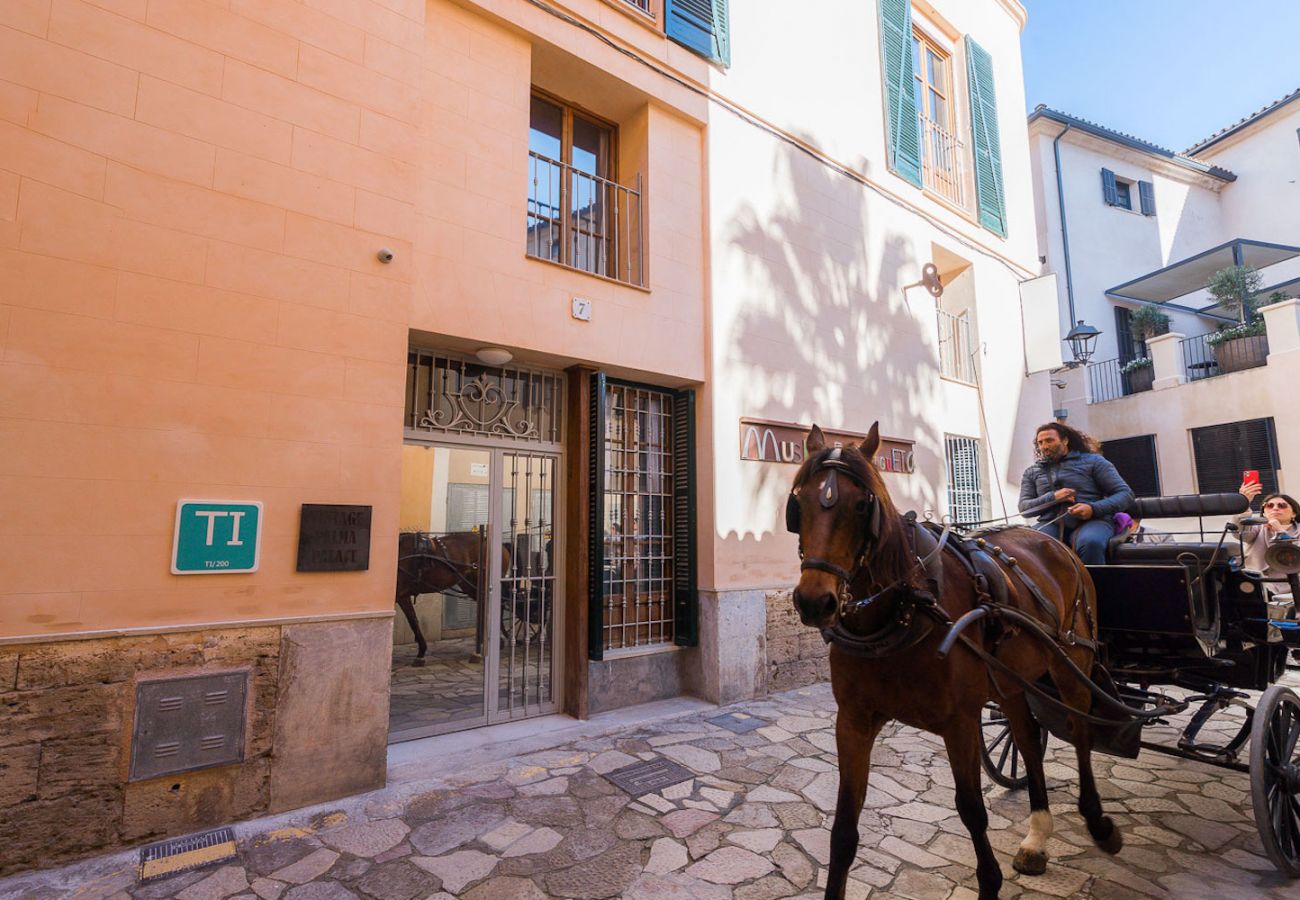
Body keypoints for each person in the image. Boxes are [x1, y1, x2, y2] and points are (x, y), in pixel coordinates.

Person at [1019, 422, 1134, 564]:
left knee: (1091, 542)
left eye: (1049, 440)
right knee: (1025, 544)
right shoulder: (1032, 472)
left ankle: (1097, 586)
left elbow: (1125, 494)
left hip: (1094, 521)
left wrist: (1093, 509)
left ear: (1065, 440)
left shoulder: (1095, 462)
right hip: (1050, 524)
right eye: (1040, 442)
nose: (1044, 446)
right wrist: (1053, 497)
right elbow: (1024, 508)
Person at [1235, 481, 1300, 592]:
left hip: (1292, 585)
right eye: (1269, 506)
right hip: (1257, 583)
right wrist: (1244, 503)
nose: (1275, 508)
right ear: (1264, 512)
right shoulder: (1257, 527)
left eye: (1282, 506)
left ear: (1294, 513)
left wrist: (1280, 530)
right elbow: (1240, 533)